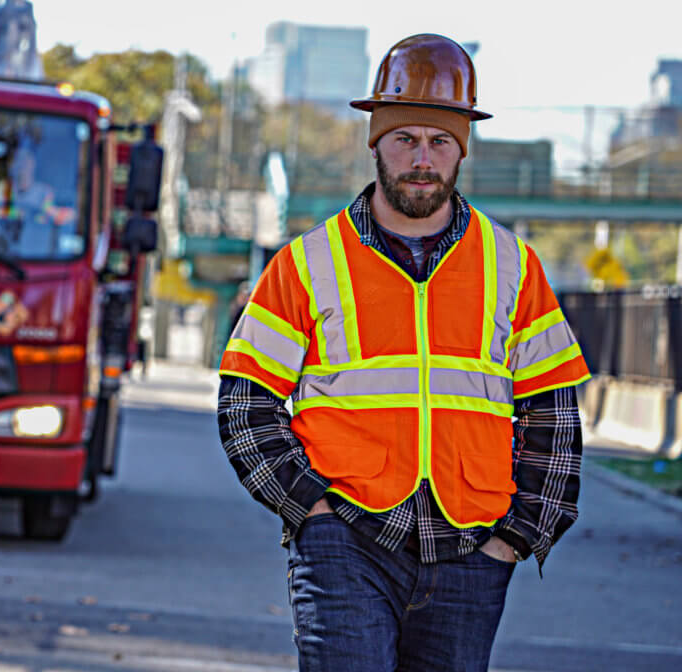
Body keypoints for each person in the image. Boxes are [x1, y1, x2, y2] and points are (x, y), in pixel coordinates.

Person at [217, 33, 589, 672]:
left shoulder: (514, 267)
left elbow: (555, 416)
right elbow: (245, 405)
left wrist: (516, 538)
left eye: (440, 141)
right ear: (376, 142)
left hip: (473, 554)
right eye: (405, 139)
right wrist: (310, 512)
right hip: (345, 543)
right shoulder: (307, 263)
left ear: (461, 150)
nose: (422, 158)